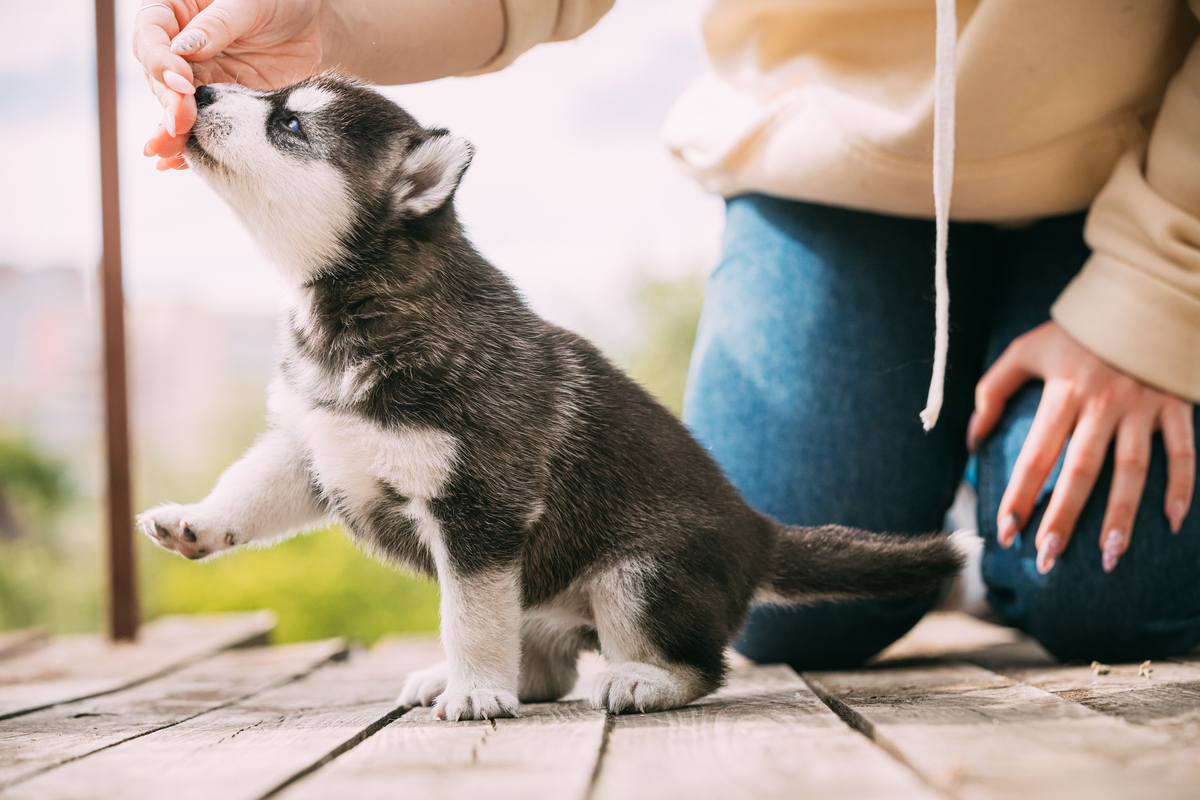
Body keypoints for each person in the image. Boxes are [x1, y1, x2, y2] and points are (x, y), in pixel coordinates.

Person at [135, 0, 1200, 668]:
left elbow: (477, 508)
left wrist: (1160, 282)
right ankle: (965, 534)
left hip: (1146, 168)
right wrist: (333, 21)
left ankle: (994, 537)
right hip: (836, 171)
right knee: (780, 616)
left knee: (1118, 592)